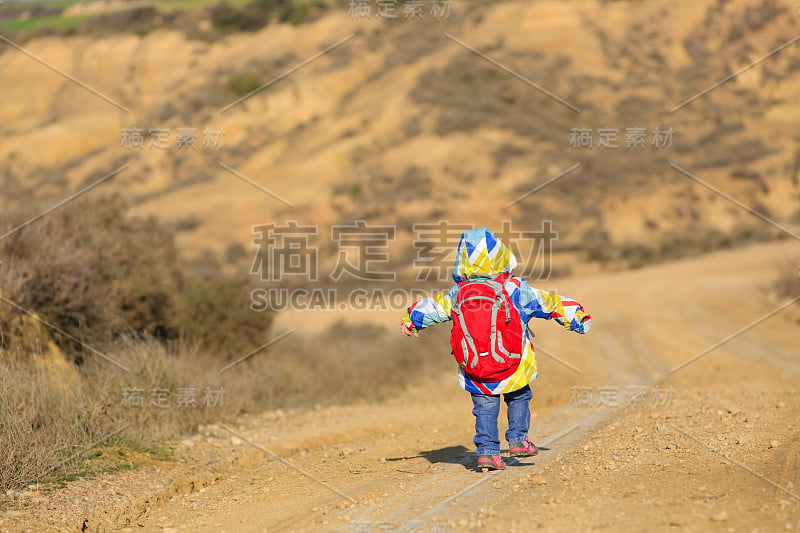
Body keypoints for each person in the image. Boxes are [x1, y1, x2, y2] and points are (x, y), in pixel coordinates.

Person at [400, 227, 591, 471]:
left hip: (476, 367)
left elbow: (431, 308)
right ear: (501, 256)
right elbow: (549, 302)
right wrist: (577, 317)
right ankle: (519, 440)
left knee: (484, 408)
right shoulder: (514, 288)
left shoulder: (458, 294)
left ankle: (487, 453)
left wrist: (410, 319)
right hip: (514, 365)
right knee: (520, 395)